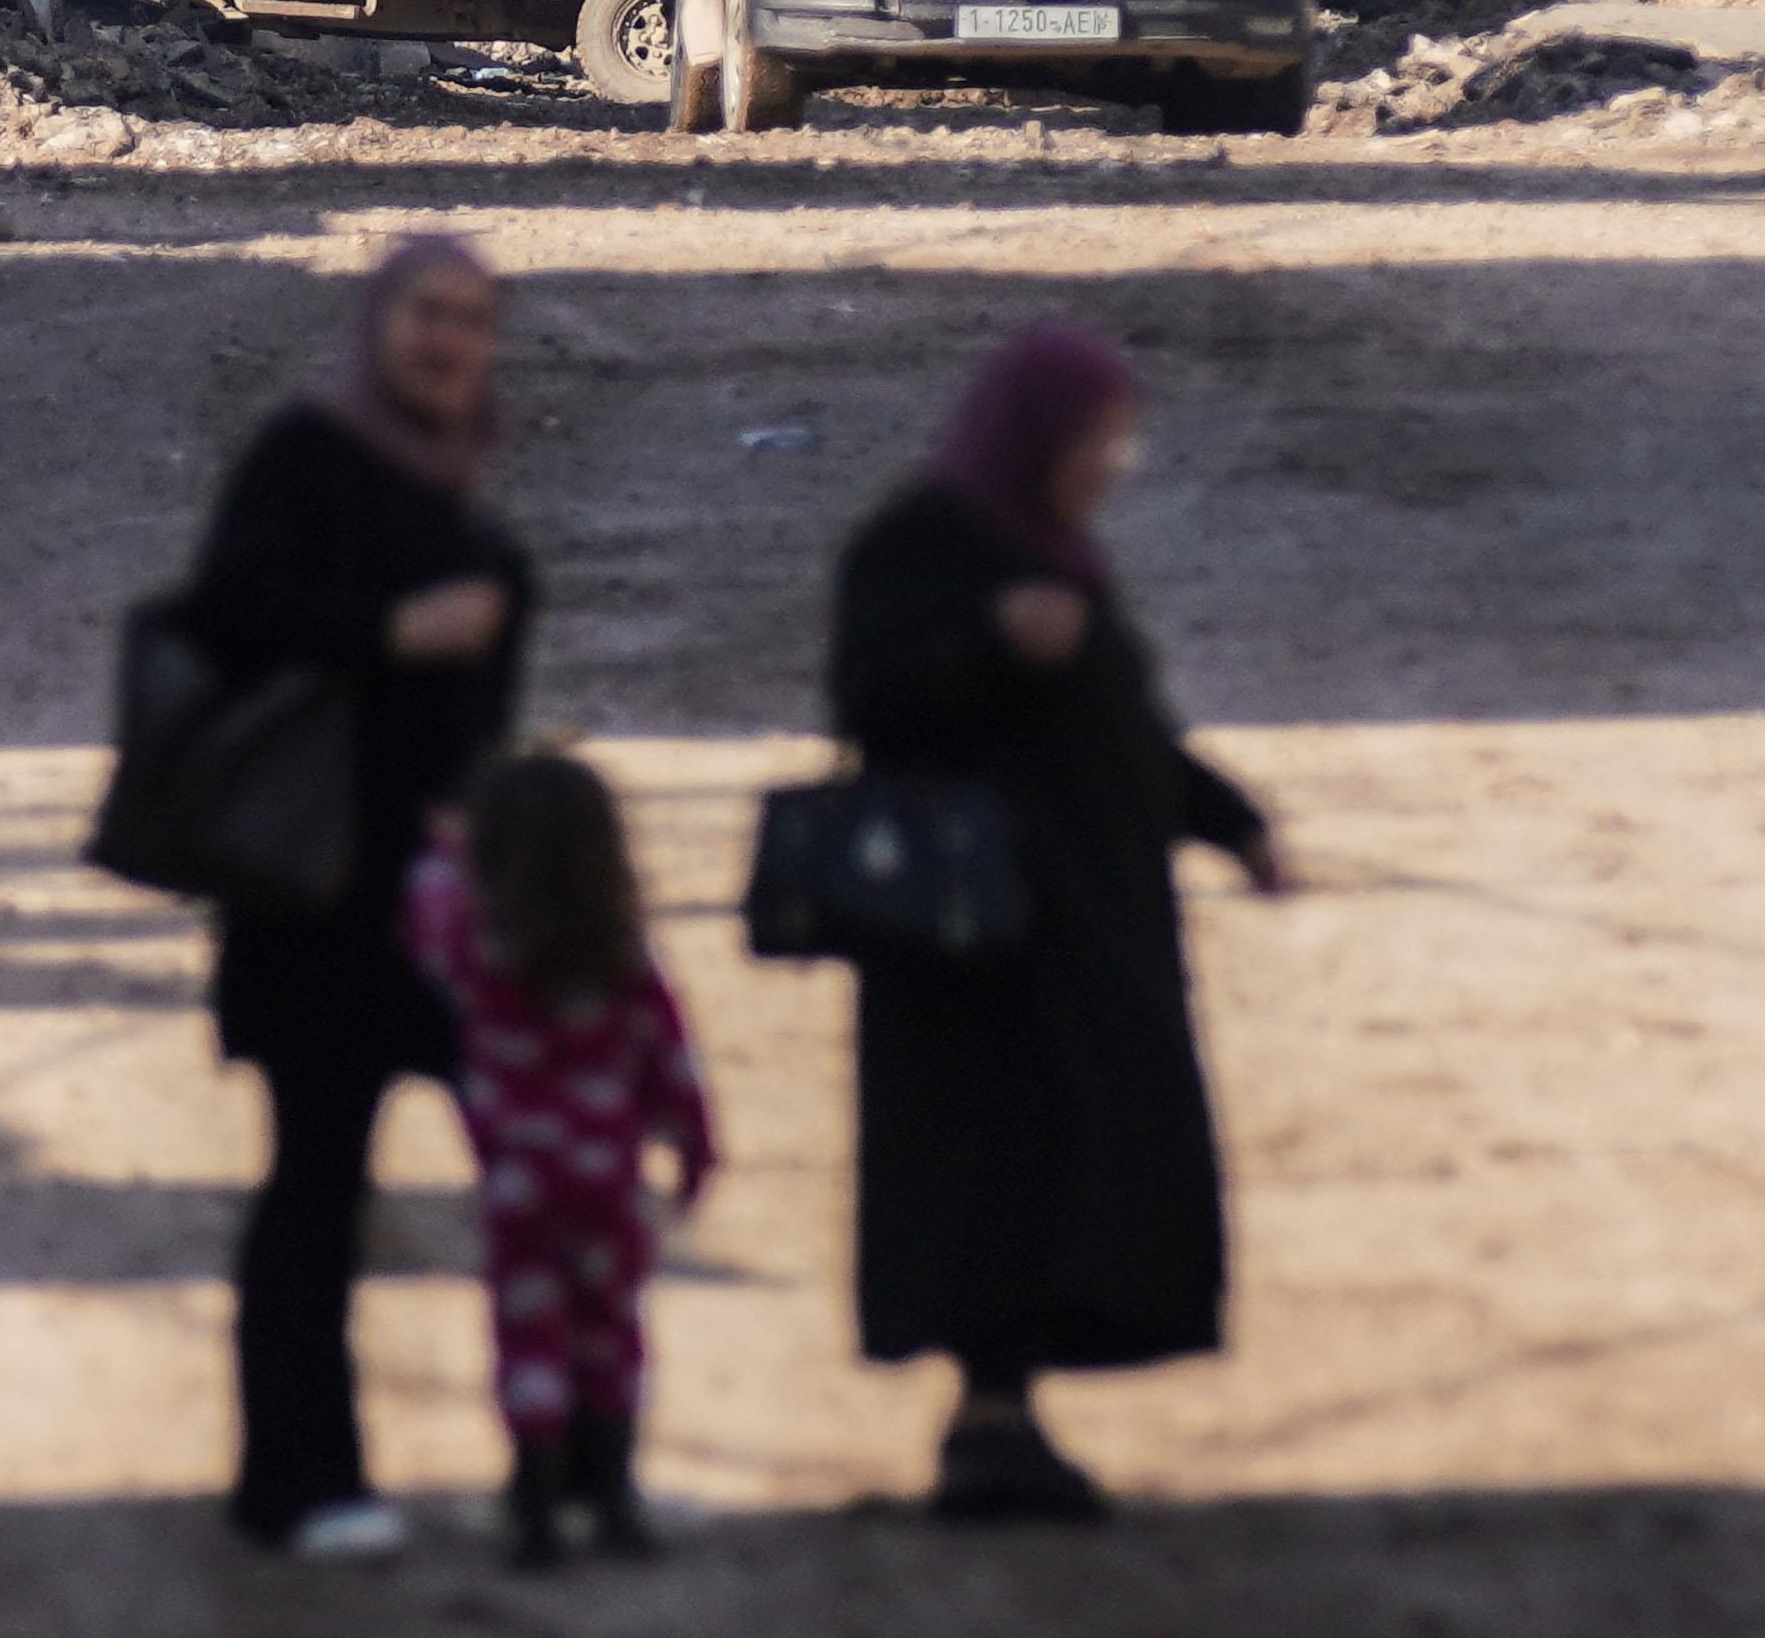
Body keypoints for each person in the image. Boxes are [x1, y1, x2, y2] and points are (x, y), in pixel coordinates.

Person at [826, 323, 1286, 1522]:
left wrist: (1231, 822)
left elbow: (1123, 730)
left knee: (1075, 1167)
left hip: (1077, 935)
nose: (1109, 462)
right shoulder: (922, 543)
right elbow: (870, 700)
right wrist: (989, 645)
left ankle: (1011, 1413)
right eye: (1094, 437)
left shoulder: (1059, 558)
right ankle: (987, 1420)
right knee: (991, 1166)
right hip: (976, 944)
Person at [185, 235, 534, 1556]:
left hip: (446, 912)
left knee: (549, 1163)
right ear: (380, 322)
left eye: (474, 319)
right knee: (317, 1189)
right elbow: (223, 616)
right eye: (429, 314)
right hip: (315, 901)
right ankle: (296, 1477)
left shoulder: (457, 481)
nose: (449, 341)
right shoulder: (308, 456)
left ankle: (571, 1451)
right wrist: (388, 633)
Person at [404, 752, 716, 1570]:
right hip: (608, 1174)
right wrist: (692, 1143)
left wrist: (446, 847)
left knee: (531, 1329)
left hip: (519, 1179)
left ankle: (537, 1504)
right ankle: (612, 1495)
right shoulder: (619, 951)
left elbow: (423, 910)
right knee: (610, 1330)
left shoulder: (474, 934)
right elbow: (668, 1055)